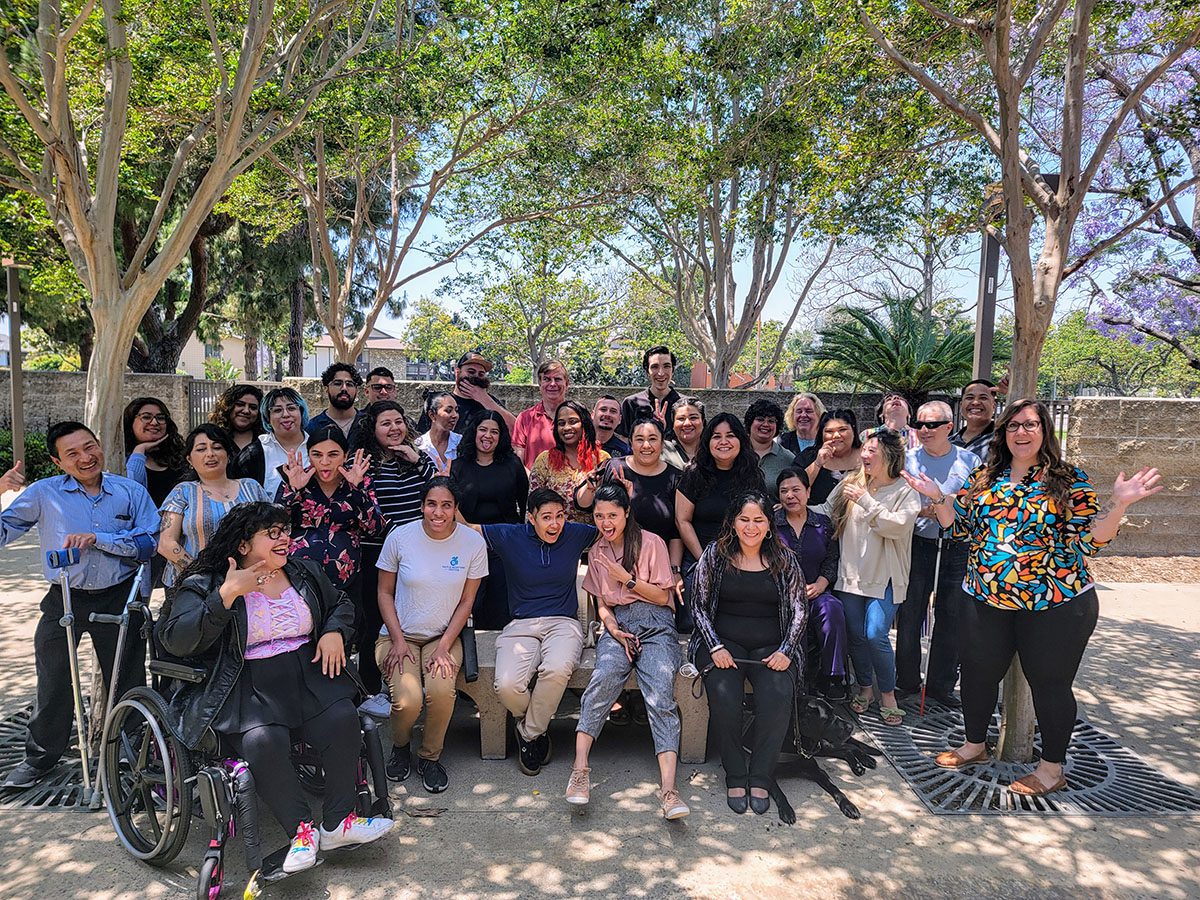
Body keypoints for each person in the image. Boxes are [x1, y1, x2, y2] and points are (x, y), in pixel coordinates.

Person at [903, 399, 1161, 797]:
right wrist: (938, 498)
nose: (1021, 433)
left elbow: (1091, 541)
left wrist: (1119, 504)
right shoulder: (985, 477)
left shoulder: (1068, 479)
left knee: (1050, 684)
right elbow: (960, 529)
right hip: (986, 598)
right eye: (1013, 427)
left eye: (1030, 425)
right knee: (975, 673)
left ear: (1044, 431)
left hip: (1055, 603)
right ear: (1003, 433)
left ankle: (1052, 768)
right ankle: (975, 746)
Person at [158, 503, 393, 873]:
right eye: (273, 533)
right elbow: (176, 639)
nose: (285, 539)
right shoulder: (206, 582)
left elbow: (342, 603)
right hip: (245, 681)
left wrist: (334, 631)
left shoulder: (302, 572)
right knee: (263, 742)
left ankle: (336, 823)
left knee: (344, 719)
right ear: (243, 546)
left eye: (285, 531)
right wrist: (226, 596)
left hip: (307, 674)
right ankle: (301, 832)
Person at [0, 422, 158, 789]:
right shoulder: (43, 493)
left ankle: (129, 753)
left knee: (127, 677)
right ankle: (40, 758)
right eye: (72, 453)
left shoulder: (129, 491)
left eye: (90, 447)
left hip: (119, 593)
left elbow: (151, 541)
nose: (86, 458)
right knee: (53, 680)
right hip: (64, 596)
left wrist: (99, 539)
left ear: (100, 445)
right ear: (58, 462)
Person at [566, 483, 689, 820]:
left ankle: (669, 790)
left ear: (626, 513)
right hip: (619, 626)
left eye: (612, 515)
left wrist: (628, 579)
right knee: (603, 677)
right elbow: (602, 604)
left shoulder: (652, 543)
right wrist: (612, 628)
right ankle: (580, 771)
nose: (606, 522)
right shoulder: (596, 552)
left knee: (661, 690)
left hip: (656, 624)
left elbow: (665, 598)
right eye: (599, 515)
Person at [689, 492, 807, 816]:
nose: (751, 527)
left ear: (769, 525)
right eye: (744, 519)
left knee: (779, 693)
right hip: (722, 645)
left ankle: (761, 774)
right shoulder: (715, 554)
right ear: (733, 522)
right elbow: (697, 605)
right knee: (724, 693)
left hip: (773, 648)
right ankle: (736, 773)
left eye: (758, 520)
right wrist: (714, 646)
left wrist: (786, 651)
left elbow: (799, 610)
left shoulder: (785, 559)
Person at [375, 478, 487, 793]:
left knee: (440, 691)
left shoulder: (472, 543)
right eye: (431, 504)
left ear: (455, 509)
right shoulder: (400, 537)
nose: (438, 512)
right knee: (408, 700)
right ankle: (400, 746)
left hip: (444, 636)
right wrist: (396, 639)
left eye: (446, 505)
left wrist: (446, 646)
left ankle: (430, 756)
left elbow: (467, 601)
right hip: (400, 635)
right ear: (422, 506)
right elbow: (384, 593)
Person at [476, 489, 598, 776]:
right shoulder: (510, 536)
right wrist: (444, 479)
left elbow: (614, 527)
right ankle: (536, 729)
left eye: (560, 516)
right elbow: (464, 528)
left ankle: (528, 734)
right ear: (531, 519)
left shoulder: (576, 534)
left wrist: (630, 495)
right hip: (520, 625)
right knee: (506, 685)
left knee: (556, 670)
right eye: (546, 518)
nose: (555, 524)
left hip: (563, 623)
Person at [829, 428, 921, 727]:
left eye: (872, 451)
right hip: (851, 575)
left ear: (890, 455)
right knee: (855, 635)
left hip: (887, 576)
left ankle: (888, 693)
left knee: (875, 635)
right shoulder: (852, 481)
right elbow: (826, 510)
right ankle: (865, 687)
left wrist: (866, 502)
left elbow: (898, 526)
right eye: (864, 450)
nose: (864, 455)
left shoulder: (906, 490)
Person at [894, 401, 980, 707]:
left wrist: (943, 507)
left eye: (932, 424)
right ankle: (906, 681)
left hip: (957, 547)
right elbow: (896, 499)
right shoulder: (907, 459)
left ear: (948, 426)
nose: (925, 430)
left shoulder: (970, 460)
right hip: (918, 542)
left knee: (951, 615)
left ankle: (941, 685)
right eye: (920, 425)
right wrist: (930, 508)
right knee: (911, 612)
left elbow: (973, 504)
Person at [353, 401, 436, 695]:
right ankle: (372, 690)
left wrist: (416, 460)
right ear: (372, 429)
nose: (394, 428)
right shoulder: (362, 462)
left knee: (412, 616)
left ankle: (409, 683)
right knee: (374, 621)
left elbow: (438, 492)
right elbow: (362, 508)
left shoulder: (418, 457)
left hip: (419, 554)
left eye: (399, 421)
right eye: (386, 423)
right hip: (377, 552)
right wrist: (398, 537)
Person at [157, 425, 270, 588]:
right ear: (189, 459)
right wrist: (204, 576)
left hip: (249, 583)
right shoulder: (183, 492)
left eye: (217, 447)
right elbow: (166, 543)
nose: (210, 454)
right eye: (201, 449)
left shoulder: (251, 487)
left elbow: (271, 529)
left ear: (228, 455)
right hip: (192, 588)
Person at [277, 426, 382, 600]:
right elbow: (275, 525)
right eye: (317, 455)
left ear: (345, 455)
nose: (325, 461)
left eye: (333, 454)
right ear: (309, 454)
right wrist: (293, 489)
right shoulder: (295, 478)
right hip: (299, 581)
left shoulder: (360, 480)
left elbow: (375, 529)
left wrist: (357, 490)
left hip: (346, 582)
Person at [449, 411, 529, 630]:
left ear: (501, 436)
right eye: (483, 429)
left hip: (503, 544)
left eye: (494, 431)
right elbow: (451, 504)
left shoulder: (512, 464)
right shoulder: (458, 465)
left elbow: (524, 503)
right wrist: (469, 530)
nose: (488, 436)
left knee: (499, 602)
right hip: (466, 541)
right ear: (474, 432)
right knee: (470, 600)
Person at [774, 468, 848, 700]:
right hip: (781, 595)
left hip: (815, 590)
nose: (790, 496)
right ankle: (800, 681)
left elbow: (831, 558)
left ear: (808, 491)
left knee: (832, 608)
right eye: (784, 491)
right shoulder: (770, 525)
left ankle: (833, 677)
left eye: (796, 490)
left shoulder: (823, 524)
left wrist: (821, 584)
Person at [528, 400, 610, 523]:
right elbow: (532, 506)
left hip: (593, 537)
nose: (566, 427)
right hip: (554, 537)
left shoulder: (602, 459)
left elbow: (611, 503)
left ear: (584, 424)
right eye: (561, 423)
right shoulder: (545, 461)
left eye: (573, 422)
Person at [235, 386, 310, 499]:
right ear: (267, 418)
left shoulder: (318, 446)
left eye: (291, 408)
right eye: (277, 410)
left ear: (301, 412)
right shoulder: (253, 454)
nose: (285, 414)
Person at [417, 351, 515, 434]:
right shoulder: (439, 401)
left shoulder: (491, 403)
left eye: (481, 374)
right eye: (471, 372)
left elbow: (516, 430)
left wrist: (484, 399)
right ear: (457, 372)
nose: (476, 376)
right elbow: (422, 438)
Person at [124, 397, 188, 507]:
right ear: (130, 422)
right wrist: (139, 451)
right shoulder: (120, 458)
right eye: (146, 417)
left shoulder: (180, 456)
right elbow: (132, 495)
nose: (154, 422)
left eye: (160, 418)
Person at [796, 409, 863, 508]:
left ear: (853, 430)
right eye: (829, 431)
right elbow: (794, 488)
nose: (836, 435)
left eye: (842, 430)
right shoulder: (808, 456)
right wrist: (817, 463)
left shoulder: (867, 455)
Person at [512, 359, 570, 468]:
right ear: (540, 383)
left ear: (567, 383)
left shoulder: (578, 418)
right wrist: (534, 482)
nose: (552, 384)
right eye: (547, 379)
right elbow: (518, 462)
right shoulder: (525, 418)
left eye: (557, 379)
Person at [620, 345, 682, 439]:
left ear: (672, 370)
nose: (661, 373)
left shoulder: (684, 404)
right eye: (655, 367)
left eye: (666, 366)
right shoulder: (631, 403)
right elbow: (624, 439)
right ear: (647, 371)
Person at [743, 398, 796, 500]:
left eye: (771, 421)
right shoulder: (735, 451)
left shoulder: (788, 458)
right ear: (750, 422)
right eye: (760, 419)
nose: (766, 424)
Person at [306, 362, 364, 444]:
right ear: (327, 389)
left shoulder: (367, 423)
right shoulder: (313, 427)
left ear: (356, 390)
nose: (344, 388)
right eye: (337, 383)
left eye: (349, 384)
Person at [951, 379, 998, 460]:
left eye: (983, 398)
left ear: (993, 405)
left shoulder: (1003, 439)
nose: (975, 402)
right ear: (961, 405)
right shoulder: (948, 443)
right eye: (970, 398)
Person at [209, 384, 265, 451]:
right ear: (227, 407)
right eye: (240, 404)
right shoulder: (213, 436)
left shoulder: (266, 440)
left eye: (253, 407)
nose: (246, 411)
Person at [415, 391, 461, 472]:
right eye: (448, 410)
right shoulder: (419, 446)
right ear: (432, 415)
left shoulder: (461, 442)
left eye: (456, 410)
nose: (455, 415)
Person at [660, 396, 705, 470]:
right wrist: (656, 429)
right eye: (681, 419)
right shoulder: (661, 450)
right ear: (673, 424)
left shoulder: (713, 451)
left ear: (703, 422)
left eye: (693, 418)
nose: (687, 423)